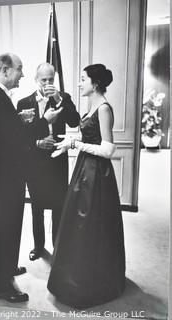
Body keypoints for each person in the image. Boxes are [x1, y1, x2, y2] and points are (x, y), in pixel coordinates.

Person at [0, 53, 61, 303]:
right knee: (5, 229)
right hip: (2, 180)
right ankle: (1, 287)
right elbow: (12, 140)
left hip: (7, 176)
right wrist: (42, 121)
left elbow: (8, 131)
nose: (23, 75)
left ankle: (8, 267)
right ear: (5, 70)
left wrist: (20, 121)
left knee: (12, 226)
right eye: (19, 69)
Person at [47, 64, 126, 308]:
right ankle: (73, 278)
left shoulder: (103, 108)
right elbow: (88, 136)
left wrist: (77, 146)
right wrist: (71, 140)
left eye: (83, 79)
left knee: (90, 223)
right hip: (85, 170)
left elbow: (108, 148)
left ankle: (93, 282)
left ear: (95, 84)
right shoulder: (92, 106)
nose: (80, 83)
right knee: (77, 223)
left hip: (97, 174)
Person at [17, 63, 80, 261]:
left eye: (51, 79)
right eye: (43, 80)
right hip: (34, 163)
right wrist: (37, 142)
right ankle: (38, 247)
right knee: (36, 207)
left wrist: (59, 98)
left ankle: (58, 247)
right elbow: (20, 137)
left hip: (57, 161)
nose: (47, 83)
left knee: (59, 207)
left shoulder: (63, 98)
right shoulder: (23, 102)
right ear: (36, 80)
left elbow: (75, 121)